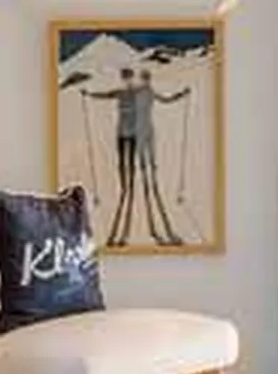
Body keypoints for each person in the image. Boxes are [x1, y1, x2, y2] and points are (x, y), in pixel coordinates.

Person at [79, 61, 196, 246]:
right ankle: (124, 218)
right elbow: (105, 95)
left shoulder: (142, 93)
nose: (128, 80)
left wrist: (181, 95)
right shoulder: (125, 93)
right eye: (125, 77)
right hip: (124, 136)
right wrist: (88, 94)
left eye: (131, 77)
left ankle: (150, 222)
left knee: (145, 176)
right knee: (126, 176)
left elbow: (166, 99)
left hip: (140, 137)